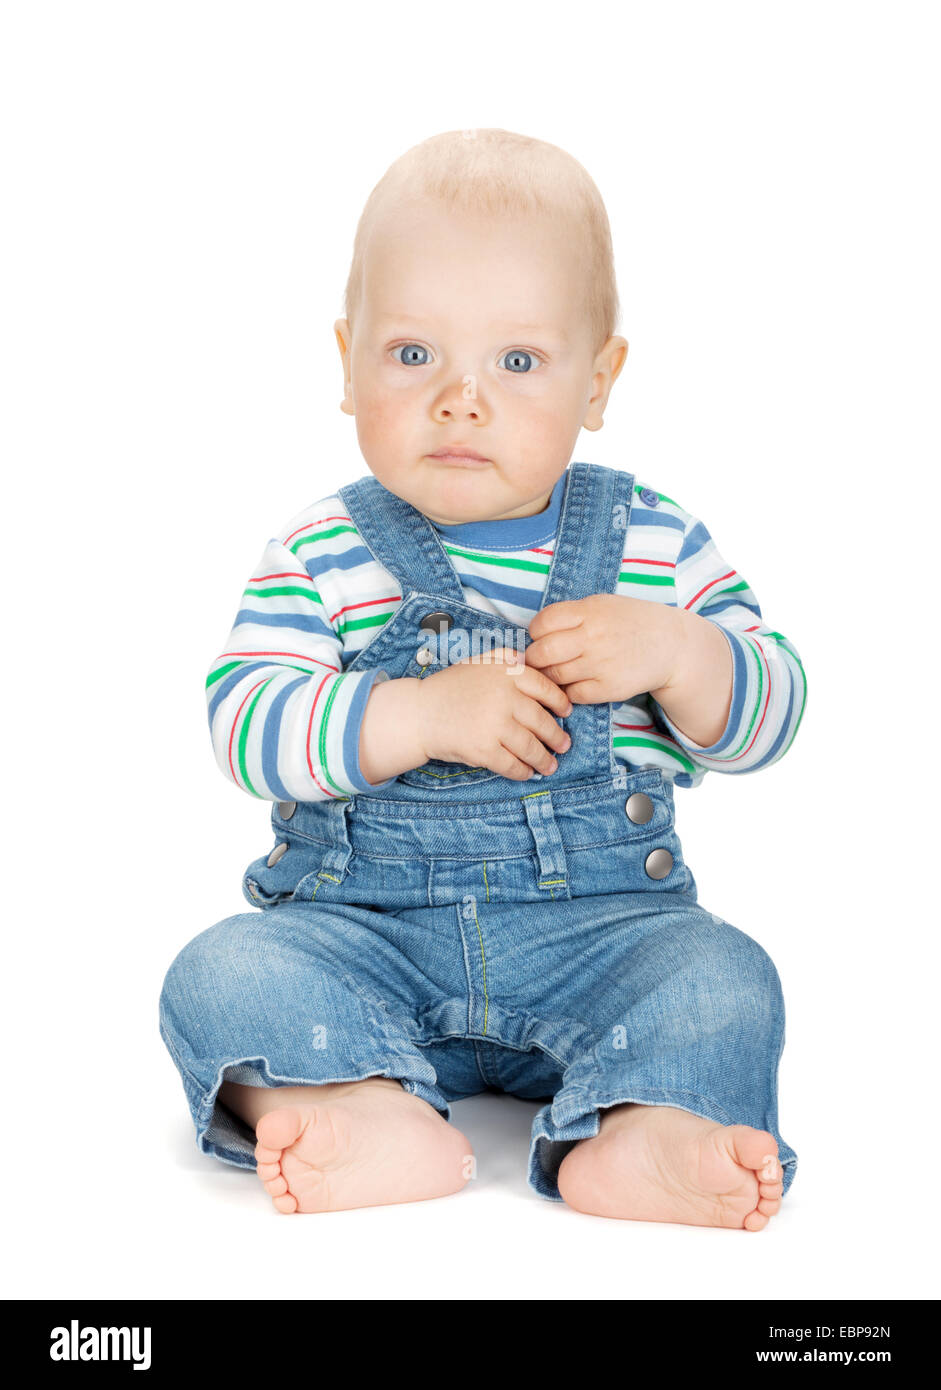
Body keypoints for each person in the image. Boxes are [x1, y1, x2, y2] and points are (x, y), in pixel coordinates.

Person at [159, 128, 806, 1229]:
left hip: (602, 935)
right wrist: (410, 715)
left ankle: (645, 1123)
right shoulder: (323, 550)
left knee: (721, 978)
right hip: (362, 931)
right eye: (412, 355)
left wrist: (677, 653)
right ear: (347, 356)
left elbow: (770, 709)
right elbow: (244, 719)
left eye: (516, 361)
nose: (460, 400)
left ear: (597, 379)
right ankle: (357, 1096)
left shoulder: (649, 542)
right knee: (218, 973)